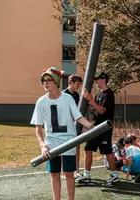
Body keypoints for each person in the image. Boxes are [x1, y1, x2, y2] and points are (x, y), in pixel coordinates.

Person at [31, 67, 93, 200]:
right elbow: (38, 127)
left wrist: (89, 125)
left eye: (49, 80)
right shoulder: (41, 102)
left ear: (56, 81)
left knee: (69, 173)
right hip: (51, 144)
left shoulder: (68, 99)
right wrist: (42, 145)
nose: (45, 83)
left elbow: (78, 117)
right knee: (54, 174)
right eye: (43, 81)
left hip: (68, 142)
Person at [76, 72, 120, 185]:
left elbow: (102, 110)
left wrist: (90, 100)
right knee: (88, 149)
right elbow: (96, 110)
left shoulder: (108, 94)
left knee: (108, 151)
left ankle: (115, 176)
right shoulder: (98, 95)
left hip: (104, 128)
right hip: (95, 127)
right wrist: (86, 107)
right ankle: (87, 175)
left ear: (104, 80)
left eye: (98, 79)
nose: (96, 82)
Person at [63, 74, 83, 178]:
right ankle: (64, 172)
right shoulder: (63, 94)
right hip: (65, 126)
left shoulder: (76, 95)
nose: (78, 86)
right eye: (77, 84)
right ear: (70, 83)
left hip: (75, 124)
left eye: (79, 84)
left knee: (77, 147)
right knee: (65, 148)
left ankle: (76, 171)